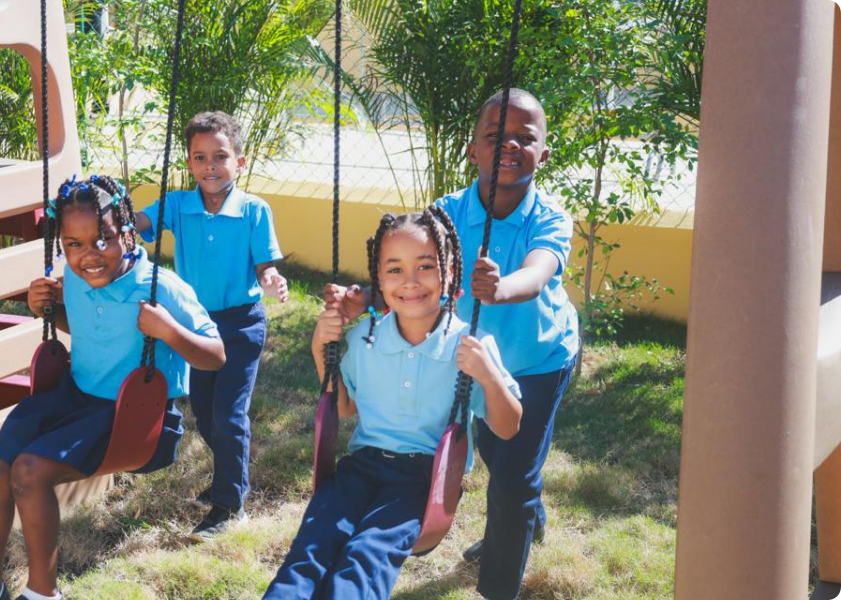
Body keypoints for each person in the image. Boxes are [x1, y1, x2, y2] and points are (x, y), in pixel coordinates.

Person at [327, 89, 580, 600]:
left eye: (523, 138)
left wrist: (501, 286)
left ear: (544, 154)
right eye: (493, 136)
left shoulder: (549, 217)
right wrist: (366, 298)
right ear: (471, 150)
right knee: (488, 446)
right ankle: (528, 509)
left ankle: (499, 582)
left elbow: (539, 271)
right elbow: (413, 272)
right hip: (461, 357)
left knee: (509, 476)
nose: (508, 145)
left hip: (536, 359)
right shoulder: (446, 213)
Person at [0, 176, 226, 600]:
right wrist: (49, 310)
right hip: (74, 398)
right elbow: (90, 329)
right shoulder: (75, 279)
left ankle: (42, 594)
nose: (89, 256)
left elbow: (215, 355)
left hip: (131, 417)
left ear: (128, 232)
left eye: (102, 239)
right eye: (73, 244)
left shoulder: (162, 287)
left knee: (29, 473)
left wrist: (169, 331)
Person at [265, 209, 522, 600]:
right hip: (361, 467)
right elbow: (345, 408)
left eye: (426, 266)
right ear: (379, 280)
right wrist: (322, 348)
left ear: (450, 271)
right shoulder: (366, 338)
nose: (411, 282)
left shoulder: (469, 345)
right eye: (396, 270)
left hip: (421, 478)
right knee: (311, 549)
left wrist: (487, 376)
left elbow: (508, 426)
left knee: (363, 560)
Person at [137, 111, 288, 539]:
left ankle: (228, 504)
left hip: (240, 325)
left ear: (239, 162)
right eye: (200, 157)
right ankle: (229, 476)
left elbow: (264, 266)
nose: (210, 166)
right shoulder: (179, 205)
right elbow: (139, 224)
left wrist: (272, 279)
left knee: (228, 413)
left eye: (220, 157)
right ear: (188, 162)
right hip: (196, 326)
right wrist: (111, 217)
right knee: (204, 412)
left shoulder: (254, 210)